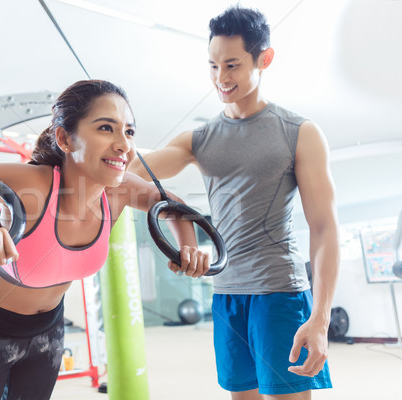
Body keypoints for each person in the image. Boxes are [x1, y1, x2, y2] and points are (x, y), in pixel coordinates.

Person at [0, 80, 210, 400]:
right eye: (106, 128)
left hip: (47, 334)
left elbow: (175, 208)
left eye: (129, 131)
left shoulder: (120, 192)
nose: (124, 144)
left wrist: (189, 247)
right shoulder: (33, 185)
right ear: (65, 139)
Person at [130, 6, 340, 400]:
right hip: (225, 294)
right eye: (212, 66)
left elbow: (325, 228)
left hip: (279, 294)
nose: (220, 78)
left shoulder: (300, 133)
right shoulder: (200, 139)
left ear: (265, 58)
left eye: (232, 65)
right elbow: (134, 169)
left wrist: (321, 318)